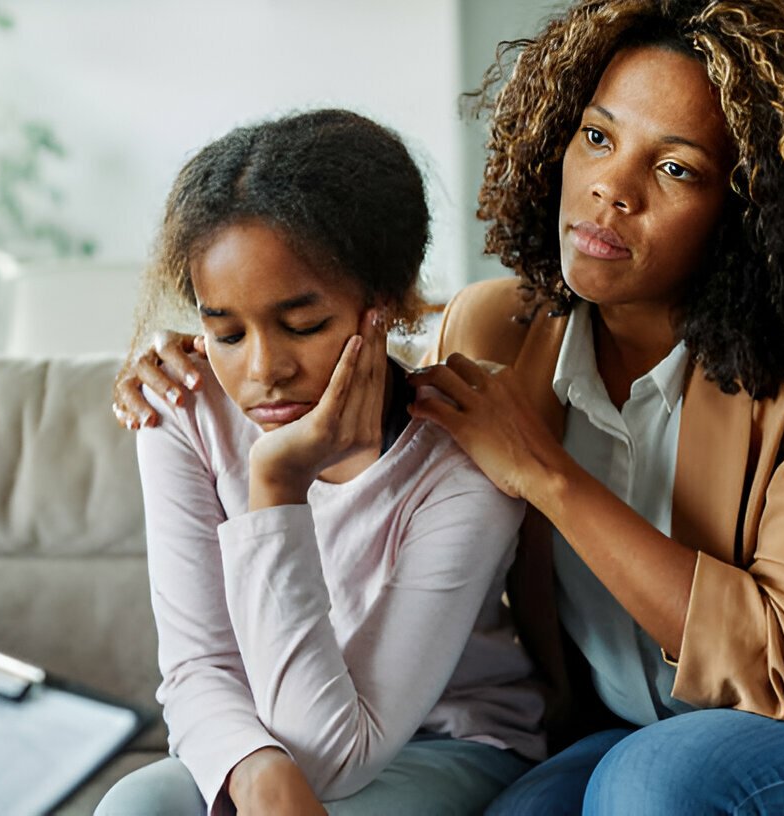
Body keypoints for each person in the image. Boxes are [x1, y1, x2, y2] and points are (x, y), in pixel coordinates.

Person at [111, 2, 784, 812]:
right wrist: (187, 356)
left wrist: (547, 475)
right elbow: (340, 341)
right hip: (606, 726)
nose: (611, 189)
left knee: (651, 787)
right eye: (597, 137)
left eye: (675, 169)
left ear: (752, 207)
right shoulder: (496, 327)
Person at [96, 109, 544, 816]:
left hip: (445, 746)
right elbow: (197, 667)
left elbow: (336, 756)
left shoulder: (464, 462)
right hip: (254, 737)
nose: (263, 370)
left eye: (303, 326)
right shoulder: (182, 412)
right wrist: (253, 767)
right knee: (136, 807)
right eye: (227, 332)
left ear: (387, 305)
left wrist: (277, 485)